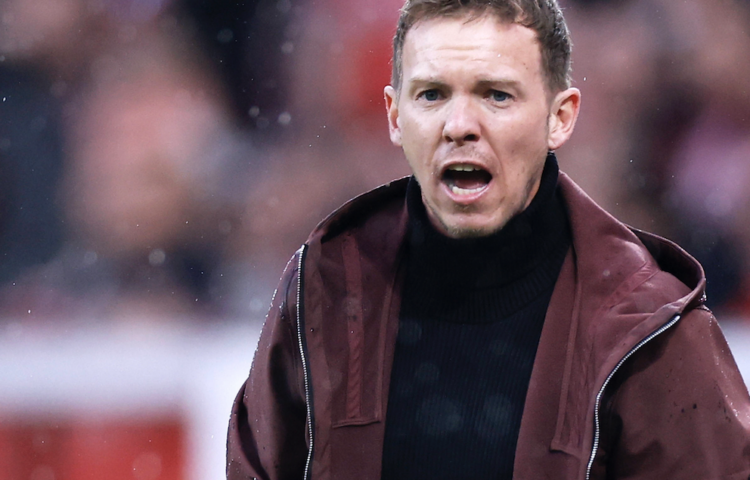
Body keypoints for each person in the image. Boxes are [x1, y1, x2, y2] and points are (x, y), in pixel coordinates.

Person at [226, 0, 750, 478]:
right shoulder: (322, 290)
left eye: (496, 95)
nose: (459, 124)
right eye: (432, 94)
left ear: (560, 117)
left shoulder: (655, 327)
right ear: (395, 116)